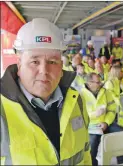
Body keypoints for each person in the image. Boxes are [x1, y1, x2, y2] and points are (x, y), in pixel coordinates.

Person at [0, 18, 91, 165]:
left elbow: (85, 153)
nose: (44, 71)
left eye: (52, 62)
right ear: (19, 65)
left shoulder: (76, 101)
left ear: (61, 67)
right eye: (35, 61)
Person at [80, 73, 116, 166]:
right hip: (90, 128)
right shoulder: (80, 94)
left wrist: (106, 122)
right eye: (98, 82)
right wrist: (94, 115)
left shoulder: (106, 92)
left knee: (116, 146)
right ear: (89, 83)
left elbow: (112, 110)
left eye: (100, 81)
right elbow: (78, 115)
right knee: (91, 152)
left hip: (105, 125)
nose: (101, 84)